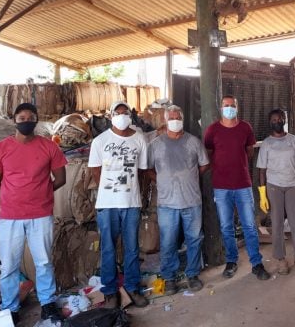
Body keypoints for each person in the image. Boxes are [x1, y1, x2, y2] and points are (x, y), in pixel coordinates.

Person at [0, 103, 67, 325]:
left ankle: (48, 303)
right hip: (10, 216)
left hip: (40, 214)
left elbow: (60, 178)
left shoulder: (49, 147)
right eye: (21, 117)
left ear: (36, 120)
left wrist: (41, 193)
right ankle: (10, 307)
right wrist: (8, 195)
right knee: (9, 266)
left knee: (43, 262)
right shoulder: (0, 148)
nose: (26, 121)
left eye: (30, 117)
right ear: (14, 120)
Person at [88, 100, 148, 308]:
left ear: (130, 116)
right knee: (108, 248)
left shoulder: (139, 139)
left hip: (131, 202)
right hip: (107, 203)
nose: (122, 116)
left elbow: (141, 171)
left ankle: (132, 287)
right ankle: (111, 292)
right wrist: (109, 190)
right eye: (118, 112)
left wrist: (131, 191)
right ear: (111, 116)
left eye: (125, 112)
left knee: (132, 247)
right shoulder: (100, 141)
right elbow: (95, 171)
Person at [203, 95, 270, 280]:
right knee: (226, 227)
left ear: (237, 107)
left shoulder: (245, 128)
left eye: (232, 105)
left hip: (243, 185)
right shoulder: (213, 130)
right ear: (221, 108)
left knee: (249, 226)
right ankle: (231, 261)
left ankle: (256, 263)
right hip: (221, 186)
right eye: (226, 106)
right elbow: (209, 152)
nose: (229, 108)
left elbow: (249, 151)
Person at [148, 105, 209, 295]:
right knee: (168, 242)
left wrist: (188, 178)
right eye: (171, 117)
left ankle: (192, 274)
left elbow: (204, 165)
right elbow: (147, 169)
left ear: (182, 119)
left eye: (178, 117)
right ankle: (169, 278)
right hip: (167, 203)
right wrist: (163, 179)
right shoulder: (156, 144)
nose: (175, 120)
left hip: (191, 200)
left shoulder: (194, 142)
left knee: (194, 239)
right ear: (165, 121)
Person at [256, 109, 295, 275]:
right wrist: (262, 194)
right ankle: (280, 259)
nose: (277, 121)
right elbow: (261, 170)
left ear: (285, 120)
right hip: (274, 186)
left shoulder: (294, 141)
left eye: (280, 118)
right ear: (270, 122)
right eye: (274, 119)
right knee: (277, 223)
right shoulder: (266, 143)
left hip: (293, 185)